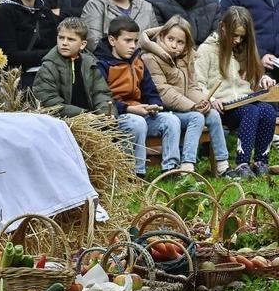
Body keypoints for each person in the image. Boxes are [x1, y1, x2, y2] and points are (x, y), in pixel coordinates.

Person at [140, 16, 234, 177]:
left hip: (184, 108)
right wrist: (192, 106)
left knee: (212, 114)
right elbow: (163, 91)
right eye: (170, 39)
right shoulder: (150, 58)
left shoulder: (185, 57)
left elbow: (191, 86)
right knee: (196, 117)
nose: (174, 45)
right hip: (163, 111)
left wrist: (201, 102)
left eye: (180, 42)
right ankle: (187, 166)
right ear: (162, 36)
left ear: (186, 44)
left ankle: (222, 164)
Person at [94, 16, 181, 177]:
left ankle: (171, 169)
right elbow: (102, 100)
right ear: (112, 40)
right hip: (118, 116)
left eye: (135, 41)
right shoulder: (101, 64)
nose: (133, 46)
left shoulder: (138, 60)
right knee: (137, 122)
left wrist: (154, 105)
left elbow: (150, 91)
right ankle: (135, 173)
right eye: (127, 41)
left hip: (140, 111)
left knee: (171, 120)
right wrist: (129, 109)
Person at [195, 6, 276, 178]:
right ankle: (242, 163)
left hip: (243, 100)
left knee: (268, 111)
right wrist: (211, 98)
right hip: (222, 107)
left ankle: (261, 161)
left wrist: (263, 81)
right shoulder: (206, 50)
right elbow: (197, 83)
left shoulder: (242, 49)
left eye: (242, 36)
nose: (238, 40)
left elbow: (249, 82)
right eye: (235, 35)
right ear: (222, 27)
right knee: (252, 111)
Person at [0, 0, 58, 88]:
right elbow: (8, 57)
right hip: (17, 78)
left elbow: (55, 44)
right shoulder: (4, 12)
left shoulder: (45, 10)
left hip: (47, 72)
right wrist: (50, 54)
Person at [32, 17, 116, 118]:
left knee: (134, 122)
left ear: (83, 44)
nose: (64, 43)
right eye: (61, 37)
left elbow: (101, 94)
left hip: (94, 120)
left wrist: (106, 114)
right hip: (64, 123)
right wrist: (82, 115)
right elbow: (49, 101)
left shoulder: (90, 64)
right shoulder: (48, 66)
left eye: (70, 39)